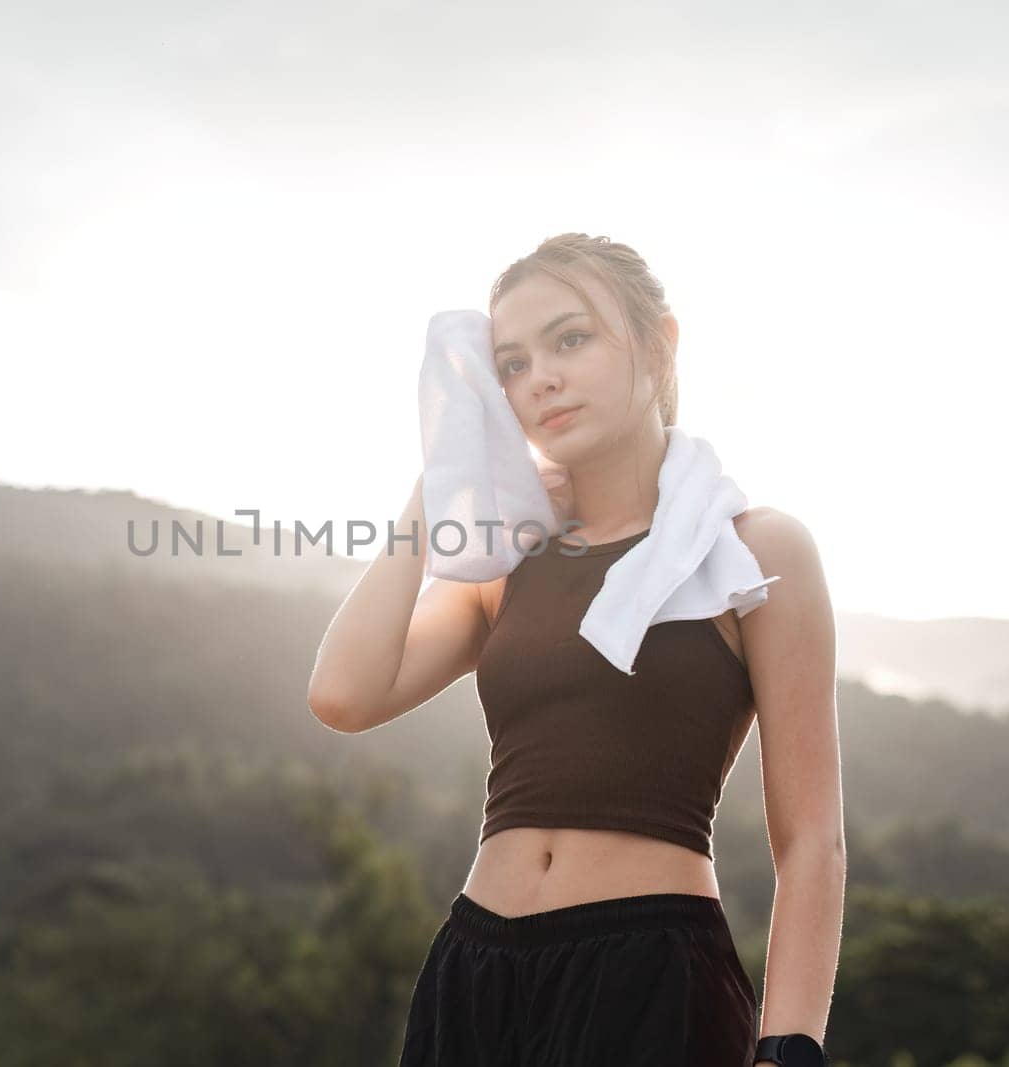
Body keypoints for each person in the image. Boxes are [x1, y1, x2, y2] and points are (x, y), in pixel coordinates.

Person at [307, 234, 845, 1066]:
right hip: (475, 971)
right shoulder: (510, 560)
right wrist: (443, 473)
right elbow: (344, 694)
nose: (540, 379)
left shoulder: (752, 548)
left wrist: (790, 1046)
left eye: (570, 339)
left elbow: (811, 837)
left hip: (649, 974)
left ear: (658, 342)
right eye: (511, 364)